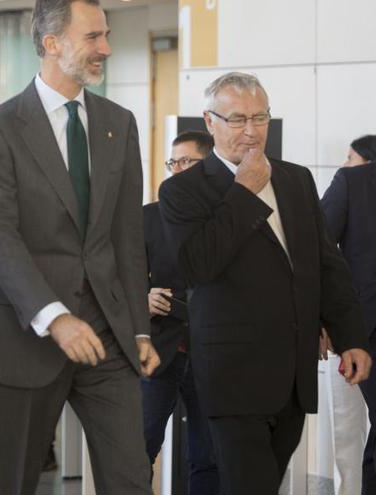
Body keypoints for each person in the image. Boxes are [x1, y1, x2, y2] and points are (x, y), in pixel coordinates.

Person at [0, 0, 159, 493]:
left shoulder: (120, 122)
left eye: (106, 35)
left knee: (131, 477)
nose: (106, 49)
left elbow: (126, 238)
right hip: (23, 335)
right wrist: (54, 317)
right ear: (52, 44)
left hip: (108, 336)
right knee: (15, 480)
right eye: (93, 37)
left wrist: (138, 330)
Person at [158, 71, 371, 494]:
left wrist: (352, 337)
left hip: (292, 373)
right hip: (231, 375)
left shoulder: (296, 179)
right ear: (210, 121)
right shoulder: (182, 191)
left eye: (260, 118)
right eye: (237, 119)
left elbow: (326, 265)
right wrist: (244, 192)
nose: (252, 131)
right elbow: (199, 265)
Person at [142, 130, 219, 493]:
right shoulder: (148, 217)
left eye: (186, 162)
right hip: (159, 347)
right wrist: (143, 296)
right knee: (140, 447)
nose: (176, 170)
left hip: (210, 351)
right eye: (173, 162)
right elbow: (118, 279)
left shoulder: (225, 217)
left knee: (209, 454)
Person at [321, 134, 376, 494]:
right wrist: (321, 316)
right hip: (362, 328)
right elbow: (317, 249)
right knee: (347, 430)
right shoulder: (353, 183)